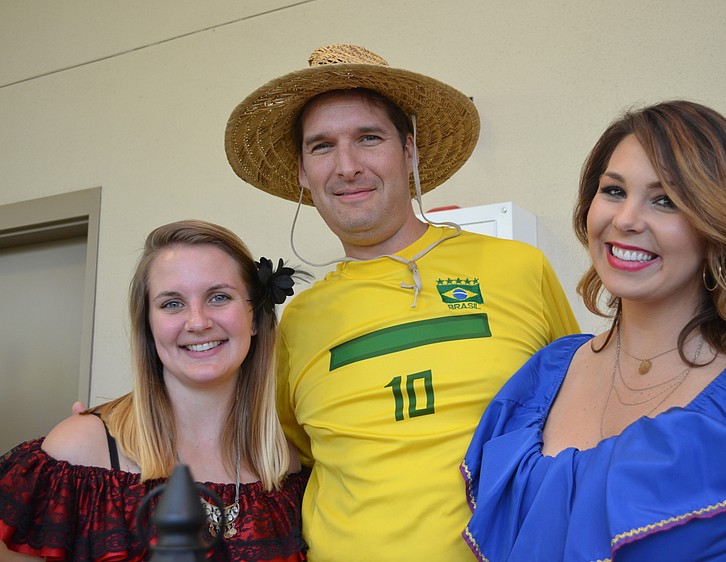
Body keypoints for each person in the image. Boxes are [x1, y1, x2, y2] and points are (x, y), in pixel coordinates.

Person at [224, 44, 581, 560]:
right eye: (322, 146)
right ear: (303, 173)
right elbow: (281, 458)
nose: (347, 166)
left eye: (368, 138)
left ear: (409, 151)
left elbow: (587, 410)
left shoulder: (519, 269)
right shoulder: (296, 322)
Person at [461, 100, 726, 561]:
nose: (626, 220)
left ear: (720, 223)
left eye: (666, 200)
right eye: (613, 191)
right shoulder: (545, 373)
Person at [0, 219, 311, 561]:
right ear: (148, 325)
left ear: (254, 317)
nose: (197, 321)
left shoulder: (285, 463)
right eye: (172, 303)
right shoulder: (78, 451)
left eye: (219, 297)